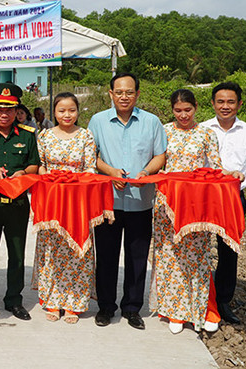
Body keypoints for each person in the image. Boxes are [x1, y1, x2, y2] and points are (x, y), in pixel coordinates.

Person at [150, 89, 242, 334]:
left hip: (196, 208)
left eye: (187, 110)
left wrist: (231, 175)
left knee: (198, 257)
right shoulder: (163, 131)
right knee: (170, 258)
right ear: (172, 110)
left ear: (197, 108)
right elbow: (157, 161)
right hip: (167, 204)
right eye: (178, 110)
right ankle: (174, 312)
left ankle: (200, 310)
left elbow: (216, 167)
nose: (183, 115)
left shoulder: (206, 133)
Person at [87, 73, 166, 330]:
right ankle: (106, 307)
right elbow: (90, 155)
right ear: (110, 93)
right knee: (107, 257)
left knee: (137, 257)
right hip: (108, 202)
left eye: (129, 92)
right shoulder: (98, 121)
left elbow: (160, 155)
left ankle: (132, 308)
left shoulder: (151, 122)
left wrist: (146, 172)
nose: (124, 96)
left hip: (140, 201)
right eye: (119, 92)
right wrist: (109, 172)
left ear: (137, 94)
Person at [200, 81, 246, 325]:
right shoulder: (202, 129)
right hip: (203, 197)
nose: (225, 106)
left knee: (229, 251)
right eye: (220, 101)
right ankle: (197, 299)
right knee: (198, 247)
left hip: (232, 198)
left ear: (239, 104)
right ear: (212, 103)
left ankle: (222, 302)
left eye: (230, 102)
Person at [0, 82, 40, 321]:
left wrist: (23, 173)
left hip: (17, 204)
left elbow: (34, 164)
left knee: (17, 254)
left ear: (16, 110)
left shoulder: (28, 135)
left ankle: (14, 300)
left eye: (9, 109)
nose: (4, 113)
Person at [32, 93, 96, 323]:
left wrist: (76, 182)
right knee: (52, 251)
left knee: (77, 251)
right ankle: (52, 300)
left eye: (71, 110)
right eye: (61, 111)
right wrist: (49, 178)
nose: (67, 115)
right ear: (54, 113)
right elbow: (40, 166)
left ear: (78, 111)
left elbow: (90, 169)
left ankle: (74, 303)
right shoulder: (45, 136)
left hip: (77, 203)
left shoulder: (86, 136)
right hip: (52, 201)